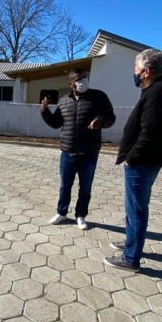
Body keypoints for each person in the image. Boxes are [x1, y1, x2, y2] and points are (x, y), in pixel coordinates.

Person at [104, 49, 162, 271]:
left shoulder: (159, 92)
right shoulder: (156, 89)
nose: (134, 73)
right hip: (145, 160)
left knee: (136, 209)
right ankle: (132, 243)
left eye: (136, 69)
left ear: (146, 71)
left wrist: (132, 157)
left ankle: (131, 258)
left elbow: (150, 132)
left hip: (143, 161)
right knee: (134, 208)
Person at [41, 68, 116, 230]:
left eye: (84, 77)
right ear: (71, 84)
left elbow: (111, 117)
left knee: (85, 187)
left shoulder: (99, 97)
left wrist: (100, 120)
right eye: (78, 79)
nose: (83, 81)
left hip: (89, 152)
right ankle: (61, 212)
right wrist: (45, 111)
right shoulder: (64, 101)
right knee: (65, 186)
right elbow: (56, 123)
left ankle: (80, 216)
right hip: (67, 152)